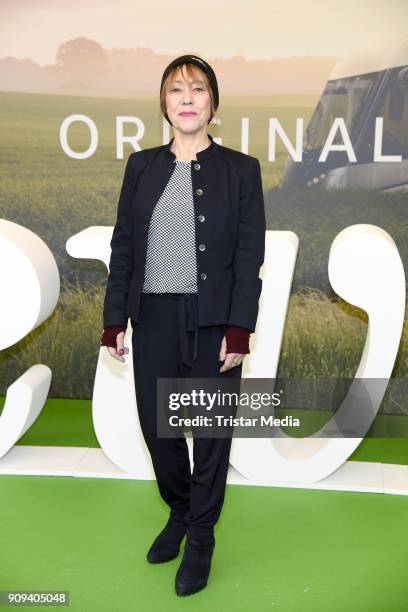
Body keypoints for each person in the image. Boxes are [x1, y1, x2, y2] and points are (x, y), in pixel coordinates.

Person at [100, 54, 265, 596]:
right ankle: (179, 510)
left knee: (211, 434)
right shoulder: (140, 166)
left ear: (213, 102)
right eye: (177, 89)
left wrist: (239, 328)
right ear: (164, 103)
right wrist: (113, 320)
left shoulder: (241, 170)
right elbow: (123, 247)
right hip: (152, 318)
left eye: (198, 88)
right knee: (159, 428)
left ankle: (200, 536)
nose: (187, 97)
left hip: (214, 323)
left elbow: (248, 257)